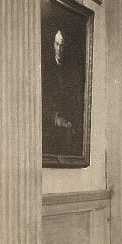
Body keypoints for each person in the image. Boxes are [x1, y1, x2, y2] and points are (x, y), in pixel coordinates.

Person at [42, 29, 82, 157]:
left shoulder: (72, 71)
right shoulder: (45, 68)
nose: (60, 49)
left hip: (69, 126)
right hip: (50, 127)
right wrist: (56, 119)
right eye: (57, 44)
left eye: (62, 45)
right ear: (53, 44)